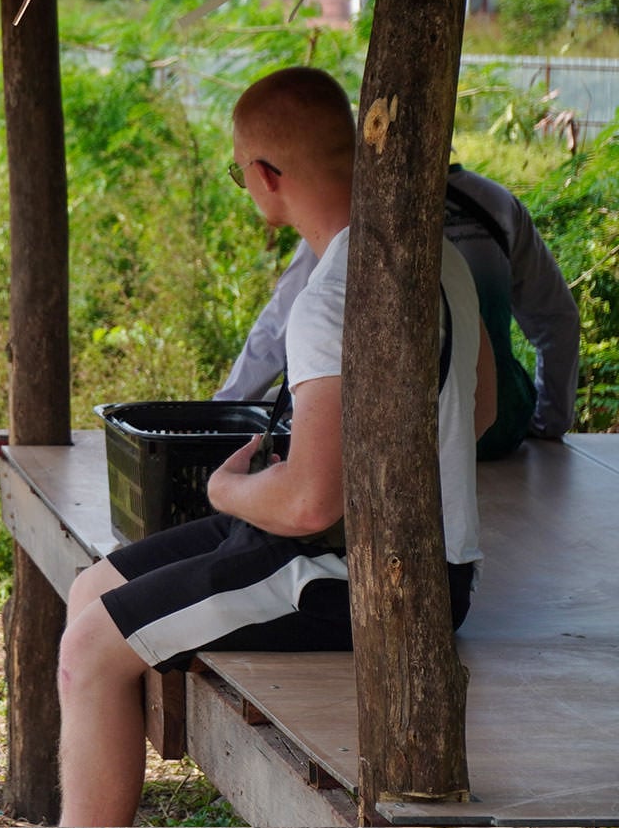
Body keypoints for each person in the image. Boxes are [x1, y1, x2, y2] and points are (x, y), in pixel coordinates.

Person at [56, 67, 494, 827]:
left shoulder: (329, 299)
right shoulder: (438, 256)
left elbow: (307, 500)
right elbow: (481, 410)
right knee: (92, 589)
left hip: (355, 576)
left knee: (90, 647)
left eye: (239, 171)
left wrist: (228, 491)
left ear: (264, 176)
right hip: (417, 559)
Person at [217, 162, 579, 459]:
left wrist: (218, 418)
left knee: (282, 401)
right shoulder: (497, 203)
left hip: (397, 441)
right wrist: (549, 424)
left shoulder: (354, 215)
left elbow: (275, 331)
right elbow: (557, 319)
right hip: (497, 425)